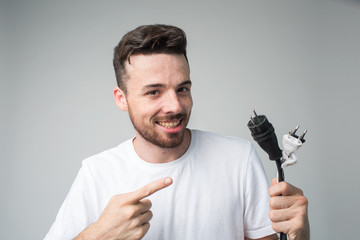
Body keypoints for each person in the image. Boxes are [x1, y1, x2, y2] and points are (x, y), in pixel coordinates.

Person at [44, 24, 310, 240]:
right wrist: (98, 237)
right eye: (153, 92)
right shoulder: (96, 173)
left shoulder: (237, 159)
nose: (175, 106)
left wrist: (301, 236)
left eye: (182, 89)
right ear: (121, 98)